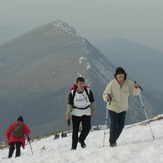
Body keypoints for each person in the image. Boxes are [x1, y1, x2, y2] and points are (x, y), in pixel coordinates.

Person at [103, 67, 141, 147]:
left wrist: (136, 87)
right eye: (119, 77)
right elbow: (105, 94)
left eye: (122, 77)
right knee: (115, 125)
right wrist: (107, 97)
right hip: (112, 107)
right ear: (116, 76)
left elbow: (135, 93)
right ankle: (112, 142)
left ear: (124, 76)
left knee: (121, 126)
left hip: (123, 108)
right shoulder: (111, 84)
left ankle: (113, 139)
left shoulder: (129, 83)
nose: (121, 78)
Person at [66, 77, 96, 150]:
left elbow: (92, 102)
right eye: (80, 84)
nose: (81, 85)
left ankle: (81, 139)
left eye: (82, 83)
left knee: (87, 127)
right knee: (75, 130)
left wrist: (93, 111)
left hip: (86, 111)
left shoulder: (88, 91)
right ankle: (74, 147)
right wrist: (68, 114)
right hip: (76, 112)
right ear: (77, 84)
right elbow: (69, 104)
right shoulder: (73, 92)